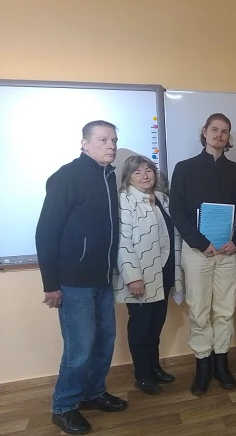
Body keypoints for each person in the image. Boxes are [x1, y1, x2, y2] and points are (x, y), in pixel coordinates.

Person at [36, 120, 128, 435]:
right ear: (85, 144)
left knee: (105, 340)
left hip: (103, 278)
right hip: (73, 281)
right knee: (80, 348)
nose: (111, 145)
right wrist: (51, 284)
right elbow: (46, 233)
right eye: (103, 140)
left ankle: (93, 392)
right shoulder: (67, 177)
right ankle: (63, 407)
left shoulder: (109, 176)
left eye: (113, 140)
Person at [170, 113, 236, 396]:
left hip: (228, 252)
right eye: (214, 129)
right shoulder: (184, 168)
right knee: (199, 310)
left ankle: (221, 364)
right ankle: (203, 365)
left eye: (224, 131)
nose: (219, 135)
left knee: (225, 310)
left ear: (228, 137)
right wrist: (200, 242)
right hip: (197, 252)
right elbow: (176, 211)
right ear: (204, 132)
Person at [113, 155, 184, 395]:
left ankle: (154, 368)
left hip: (163, 270)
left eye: (148, 170)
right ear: (128, 177)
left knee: (156, 324)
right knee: (141, 328)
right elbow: (123, 242)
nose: (144, 176)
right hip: (140, 276)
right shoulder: (125, 200)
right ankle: (142, 375)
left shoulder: (162, 198)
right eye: (137, 172)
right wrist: (133, 277)